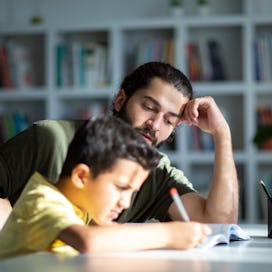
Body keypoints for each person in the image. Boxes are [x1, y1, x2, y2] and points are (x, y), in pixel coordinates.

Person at [0, 61, 238, 227]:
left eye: (168, 120)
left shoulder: (156, 174)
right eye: (149, 108)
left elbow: (219, 222)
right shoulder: (49, 139)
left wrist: (222, 133)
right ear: (121, 99)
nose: (155, 125)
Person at [0, 116, 211, 258]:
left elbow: (108, 232)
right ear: (81, 176)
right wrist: (170, 234)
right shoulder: (42, 200)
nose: (126, 202)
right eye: (121, 188)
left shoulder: (79, 208)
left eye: (132, 192)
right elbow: (88, 242)